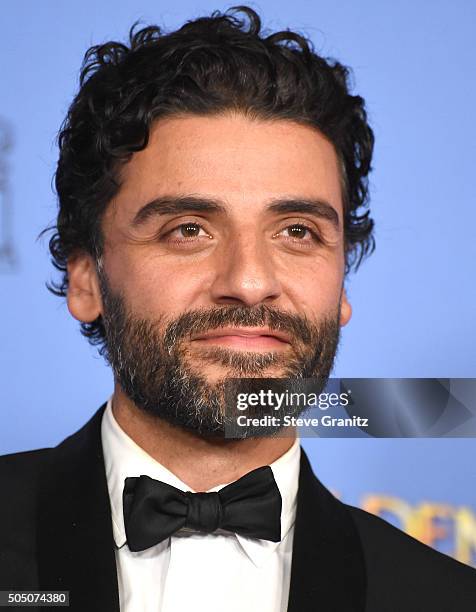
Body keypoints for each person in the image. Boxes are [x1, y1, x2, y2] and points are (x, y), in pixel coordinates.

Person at [1, 6, 475, 611]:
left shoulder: (444, 597)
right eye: (190, 229)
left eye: (298, 232)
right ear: (86, 279)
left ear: (343, 284)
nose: (250, 283)